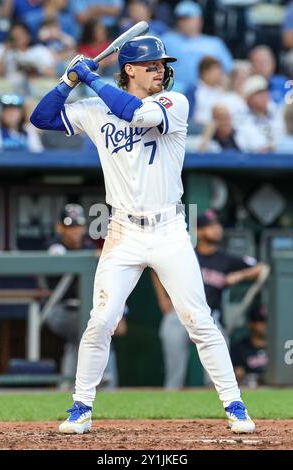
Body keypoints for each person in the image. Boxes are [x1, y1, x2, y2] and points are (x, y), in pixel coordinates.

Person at [30, 35, 255, 434]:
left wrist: (90, 78)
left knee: (198, 319)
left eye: (162, 65)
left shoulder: (174, 102)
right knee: (101, 320)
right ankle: (81, 406)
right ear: (130, 69)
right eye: (151, 65)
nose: (161, 70)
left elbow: (132, 113)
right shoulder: (97, 109)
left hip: (169, 227)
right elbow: (42, 119)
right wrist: (68, 81)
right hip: (121, 230)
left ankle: (234, 404)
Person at [153, 209, 267, 387]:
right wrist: (162, 299)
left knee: (217, 372)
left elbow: (261, 267)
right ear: (198, 231)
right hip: (178, 314)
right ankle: (170, 410)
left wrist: (240, 276)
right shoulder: (185, 254)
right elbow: (155, 268)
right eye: (210, 226)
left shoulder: (226, 259)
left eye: (217, 225)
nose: (216, 229)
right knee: (174, 374)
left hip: (209, 316)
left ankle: (215, 408)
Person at [45, 203, 96, 389]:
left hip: (85, 310)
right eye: (70, 227)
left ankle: (68, 387)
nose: (75, 231)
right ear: (60, 228)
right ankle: (104, 385)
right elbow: (57, 256)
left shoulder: (89, 245)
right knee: (91, 332)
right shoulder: (54, 245)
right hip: (59, 309)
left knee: (83, 337)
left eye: (78, 226)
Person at [162, 1, 233, 91]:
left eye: (188, 18)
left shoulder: (214, 43)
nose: (184, 22)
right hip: (176, 91)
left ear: (199, 20)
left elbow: (227, 71)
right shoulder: (167, 40)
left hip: (207, 92)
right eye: (181, 18)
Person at [231, 304, 268, 387]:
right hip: (250, 390)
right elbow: (237, 374)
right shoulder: (239, 348)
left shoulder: (280, 347)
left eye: (267, 321)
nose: (265, 325)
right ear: (252, 324)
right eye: (261, 321)